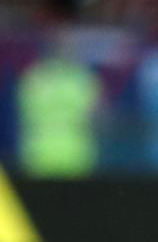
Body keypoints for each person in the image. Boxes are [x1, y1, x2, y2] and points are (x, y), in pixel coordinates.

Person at [15, 34, 100, 178]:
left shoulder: (32, 78)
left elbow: (22, 114)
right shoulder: (83, 78)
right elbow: (97, 114)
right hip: (76, 153)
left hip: (38, 153)